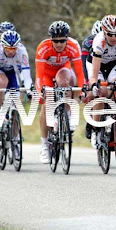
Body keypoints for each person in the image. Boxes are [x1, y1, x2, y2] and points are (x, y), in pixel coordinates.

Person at [35, 20, 85, 163]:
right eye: (55, 41)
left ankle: (67, 114)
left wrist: (83, 91)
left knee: (66, 82)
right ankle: (44, 145)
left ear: (67, 38)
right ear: (51, 39)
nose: (59, 44)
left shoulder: (73, 46)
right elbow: (39, 75)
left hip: (63, 70)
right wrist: (40, 91)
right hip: (46, 75)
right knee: (46, 103)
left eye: (62, 40)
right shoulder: (43, 48)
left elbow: (80, 73)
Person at [86, 15, 116, 148]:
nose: (114, 38)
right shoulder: (99, 41)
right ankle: (95, 129)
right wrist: (93, 83)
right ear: (104, 32)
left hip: (114, 65)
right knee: (102, 92)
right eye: (110, 34)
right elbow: (95, 71)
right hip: (96, 65)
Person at [0, 30, 33, 141]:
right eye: (8, 49)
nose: (11, 51)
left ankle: (16, 137)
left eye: (14, 49)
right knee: (2, 82)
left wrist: (29, 91)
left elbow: (26, 76)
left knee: (15, 102)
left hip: (12, 72)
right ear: (2, 46)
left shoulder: (22, 51)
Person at [81, 20, 102, 141]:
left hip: (108, 68)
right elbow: (84, 65)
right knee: (90, 93)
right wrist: (87, 81)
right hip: (91, 68)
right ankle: (91, 121)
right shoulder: (87, 43)